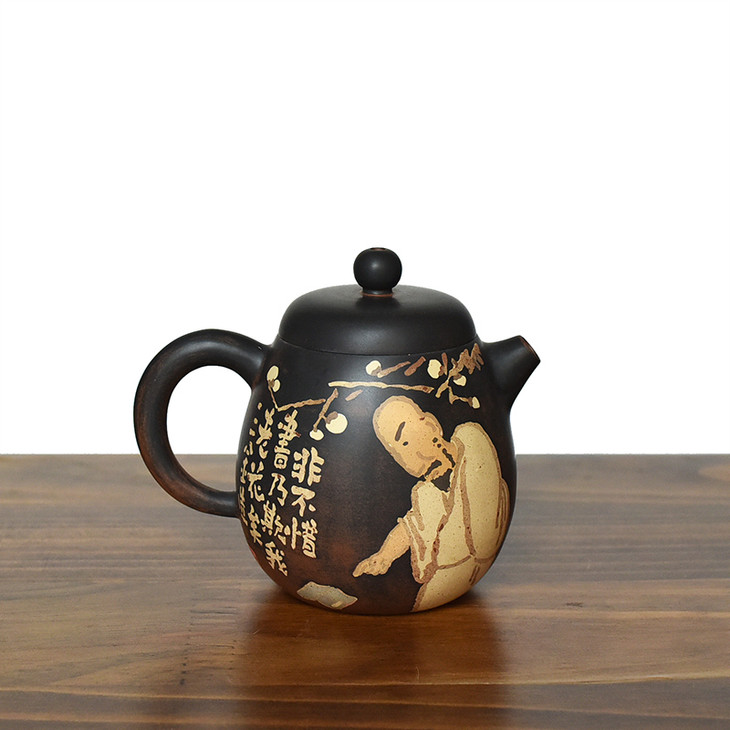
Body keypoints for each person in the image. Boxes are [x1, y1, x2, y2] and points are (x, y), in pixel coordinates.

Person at [353, 395, 509, 611]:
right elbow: (412, 526)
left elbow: (482, 532)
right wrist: (384, 557)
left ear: (431, 424)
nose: (405, 451)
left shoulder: (470, 439)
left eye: (405, 439)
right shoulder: (426, 493)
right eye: (397, 449)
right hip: (449, 571)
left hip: (474, 560)